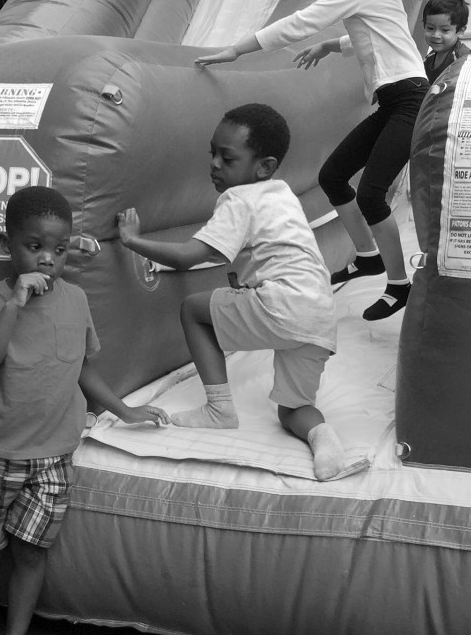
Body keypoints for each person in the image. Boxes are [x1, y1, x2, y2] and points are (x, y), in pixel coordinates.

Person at [195, 0, 461, 321]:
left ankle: (398, 284)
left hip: (409, 101)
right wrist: (332, 46)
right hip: (398, 99)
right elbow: (380, 35)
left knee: (371, 195)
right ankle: (368, 257)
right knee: (333, 177)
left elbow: (300, 22)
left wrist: (236, 50)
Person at [0, 186, 168, 635]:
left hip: (53, 458)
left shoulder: (75, 300)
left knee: (32, 555)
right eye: (34, 247)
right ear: (7, 244)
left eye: (57, 248)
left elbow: (82, 369)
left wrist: (124, 409)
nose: (46, 259)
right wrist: (15, 302)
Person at [118, 103, 346, 482]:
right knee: (293, 410)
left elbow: (188, 257)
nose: (214, 164)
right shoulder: (282, 194)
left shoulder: (239, 199)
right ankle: (324, 440)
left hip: (281, 306)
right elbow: (265, 252)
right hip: (320, 317)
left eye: (227, 158)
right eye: (212, 153)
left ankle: (219, 409)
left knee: (193, 310)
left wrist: (132, 240)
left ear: (264, 167)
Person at [422, 0, 471, 85]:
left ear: (460, 31)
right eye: (430, 28)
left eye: (445, 30)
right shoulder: (428, 58)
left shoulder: (464, 59)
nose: (436, 35)